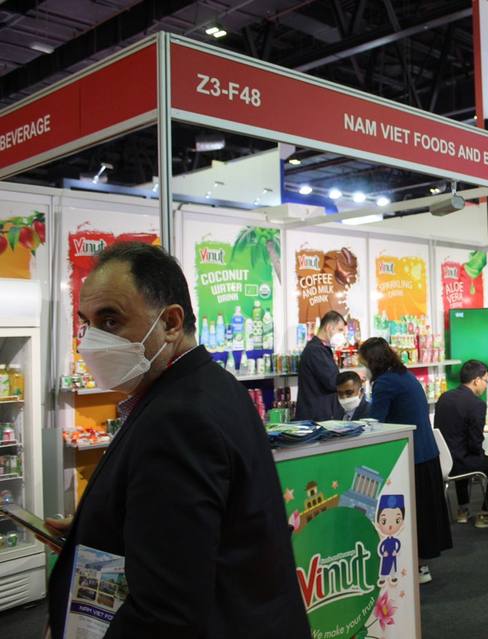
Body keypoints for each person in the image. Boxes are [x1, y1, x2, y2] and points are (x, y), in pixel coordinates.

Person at [44, 243, 309, 639]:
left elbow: (166, 611)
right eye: (87, 324)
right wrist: (101, 524)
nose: (91, 342)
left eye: (110, 321)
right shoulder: (211, 386)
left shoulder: (178, 419)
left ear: (170, 322)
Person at [359, 337, 452, 584]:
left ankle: (414, 566)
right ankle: (420, 565)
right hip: (426, 454)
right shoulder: (404, 375)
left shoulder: (385, 383)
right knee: (423, 514)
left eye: (364, 363)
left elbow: (376, 420)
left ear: (372, 361)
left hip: (412, 457)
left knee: (410, 514)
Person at [434, 360, 488, 528]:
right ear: (476, 380)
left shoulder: (444, 397)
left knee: (463, 453)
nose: (486, 385)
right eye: (486, 381)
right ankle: (486, 514)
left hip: (442, 462)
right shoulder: (476, 404)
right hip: (460, 463)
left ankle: (462, 510)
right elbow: (475, 442)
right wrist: (481, 456)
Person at [294, 310, 346, 422]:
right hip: (317, 418)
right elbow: (332, 381)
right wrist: (352, 377)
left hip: (322, 414)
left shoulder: (322, 349)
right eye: (340, 330)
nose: (342, 334)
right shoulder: (315, 351)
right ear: (329, 327)